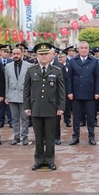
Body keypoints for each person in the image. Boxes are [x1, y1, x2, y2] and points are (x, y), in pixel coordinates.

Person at [24, 43, 65, 171]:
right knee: (38, 137)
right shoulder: (31, 71)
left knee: (50, 137)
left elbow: (61, 92)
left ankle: (50, 160)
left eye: (46, 54)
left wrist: (61, 107)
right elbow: (26, 91)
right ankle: (39, 160)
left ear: (51, 55)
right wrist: (27, 106)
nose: (43, 56)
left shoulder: (56, 71)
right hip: (36, 108)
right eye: (41, 54)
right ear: (36, 56)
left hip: (51, 109)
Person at [66, 41, 99, 146]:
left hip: (90, 94)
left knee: (90, 117)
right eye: (82, 48)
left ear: (88, 49)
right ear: (78, 49)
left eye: (86, 48)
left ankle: (91, 137)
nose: (84, 49)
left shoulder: (94, 61)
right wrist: (69, 91)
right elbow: (69, 78)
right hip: (76, 93)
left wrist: (97, 91)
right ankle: (75, 137)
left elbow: (97, 78)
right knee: (76, 117)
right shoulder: (73, 61)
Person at [5, 47, 33, 145]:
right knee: (14, 118)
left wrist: (30, 97)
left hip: (24, 96)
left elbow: (31, 83)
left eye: (18, 53)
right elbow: (6, 82)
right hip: (12, 96)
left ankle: (24, 137)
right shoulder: (7, 66)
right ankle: (16, 136)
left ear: (22, 54)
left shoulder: (29, 66)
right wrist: (6, 96)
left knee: (25, 118)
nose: (16, 55)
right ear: (11, 55)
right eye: (14, 54)